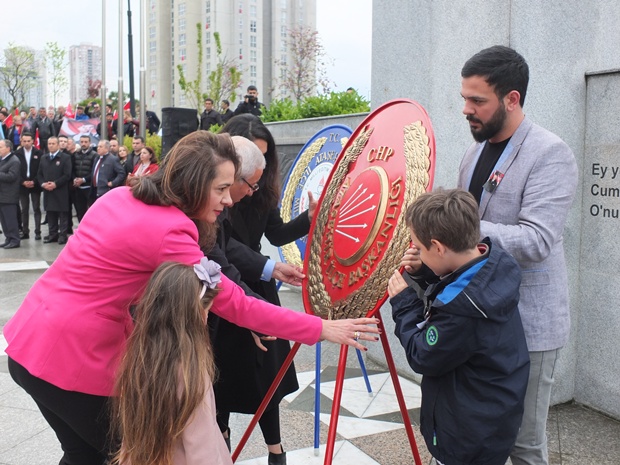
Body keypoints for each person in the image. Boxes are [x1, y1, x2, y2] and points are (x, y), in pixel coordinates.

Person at [3, 130, 378, 465]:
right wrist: (321, 328)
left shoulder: (120, 195)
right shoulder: (171, 232)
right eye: (220, 189)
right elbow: (235, 303)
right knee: (134, 455)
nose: (228, 200)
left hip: (27, 344)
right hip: (73, 362)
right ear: (194, 184)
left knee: (83, 454)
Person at [457, 45, 578, 465]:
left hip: (529, 326)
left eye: (478, 101)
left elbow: (536, 240)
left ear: (512, 99)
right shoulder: (474, 151)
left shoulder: (550, 152)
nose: (467, 110)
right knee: (482, 438)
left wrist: (454, 229)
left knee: (524, 445)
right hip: (478, 320)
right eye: (464, 99)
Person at [388, 188, 530, 465]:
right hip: (489, 422)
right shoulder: (489, 263)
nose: (414, 250)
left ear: (439, 247)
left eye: (418, 245)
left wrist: (404, 303)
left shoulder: (464, 312)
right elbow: (454, 286)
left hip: (466, 438)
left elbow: (423, 355)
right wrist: (426, 271)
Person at [213, 115, 316, 464]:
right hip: (224, 283)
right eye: (251, 158)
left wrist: (309, 216)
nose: (258, 170)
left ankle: (276, 449)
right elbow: (223, 248)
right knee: (219, 377)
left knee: (266, 376)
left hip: (257, 284)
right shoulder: (214, 193)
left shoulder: (260, 190)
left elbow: (276, 236)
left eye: (264, 157)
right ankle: (220, 442)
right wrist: (270, 267)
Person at [112, 260, 232, 465]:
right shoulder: (191, 372)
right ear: (193, 316)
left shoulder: (138, 358)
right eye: (206, 312)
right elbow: (202, 447)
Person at [37, 137, 72, 244]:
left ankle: (62, 235)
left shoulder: (65, 157)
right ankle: (53, 234)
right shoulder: (44, 157)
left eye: (53, 143)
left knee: (62, 215)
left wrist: (55, 184)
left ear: (57, 145)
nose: (51, 145)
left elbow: (67, 175)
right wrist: (43, 184)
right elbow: (39, 174)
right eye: (49, 143)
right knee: (50, 213)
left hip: (60, 190)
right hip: (48, 190)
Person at [15, 132, 43, 240]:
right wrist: (22, 182)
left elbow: (41, 169)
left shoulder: (39, 153)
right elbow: (16, 170)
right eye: (24, 141)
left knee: (36, 208)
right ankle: (25, 231)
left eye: (28, 141)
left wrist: (34, 181)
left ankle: (37, 231)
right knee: (24, 209)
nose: (26, 143)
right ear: (21, 141)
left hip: (35, 185)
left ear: (32, 141)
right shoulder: (17, 153)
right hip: (22, 185)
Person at [88, 139, 126, 206]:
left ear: (107, 148)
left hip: (105, 190)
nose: (98, 148)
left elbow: (121, 173)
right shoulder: (97, 158)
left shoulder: (113, 159)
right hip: (94, 190)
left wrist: (113, 182)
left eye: (100, 147)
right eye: (98, 146)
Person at [0, 139, 22, 249]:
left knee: (10, 220)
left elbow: (11, 176)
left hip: (9, 196)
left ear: (8, 148)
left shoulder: (14, 161)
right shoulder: (2, 159)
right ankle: (8, 238)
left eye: (0, 147)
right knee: (4, 221)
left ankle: (15, 239)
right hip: (2, 196)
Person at [72, 135, 97, 222]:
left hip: (89, 188)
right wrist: (75, 179)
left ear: (89, 143)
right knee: (80, 210)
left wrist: (83, 179)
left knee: (91, 210)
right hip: (78, 188)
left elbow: (94, 171)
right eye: (82, 142)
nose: (83, 144)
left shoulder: (94, 155)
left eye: (86, 142)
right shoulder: (75, 154)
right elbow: (73, 169)